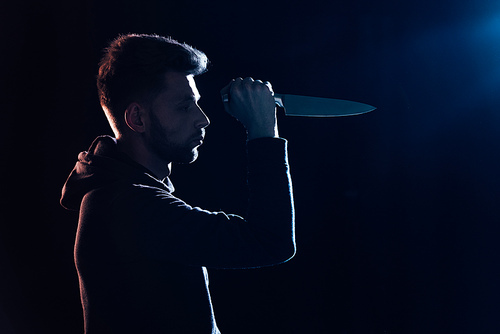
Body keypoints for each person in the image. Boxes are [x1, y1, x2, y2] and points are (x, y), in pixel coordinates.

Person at [60, 33, 296, 334]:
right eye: (184, 107)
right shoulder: (128, 206)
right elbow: (271, 242)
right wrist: (264, 132)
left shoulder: (126, 196)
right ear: (137, 118)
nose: (203, 120)